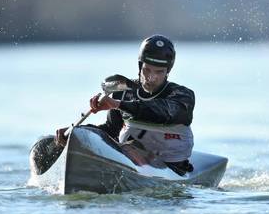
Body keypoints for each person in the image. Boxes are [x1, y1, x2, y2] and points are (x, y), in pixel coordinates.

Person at [56, 35, 195, 175]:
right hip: (132, 158)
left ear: (168, 71)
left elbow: (160, 111)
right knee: (83, 134)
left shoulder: (182, 96)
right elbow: (111, 131)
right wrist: (76, 133)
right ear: (140, 65)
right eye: (147, 69)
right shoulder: (123, 92)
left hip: (173, 167)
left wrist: (118, 104)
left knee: (129, 147)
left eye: (159, 72)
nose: (151, 77)